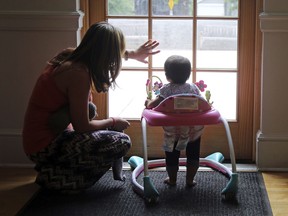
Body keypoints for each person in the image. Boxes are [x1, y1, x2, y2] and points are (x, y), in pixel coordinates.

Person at [22, 21, 160, 193]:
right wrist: (112, 121)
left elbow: (105, 51)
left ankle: (54, 170)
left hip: (40, 138)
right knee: (121, 141)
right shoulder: (78, 74)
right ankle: (58, 179)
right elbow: (82, 126)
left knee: (91, 110)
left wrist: (132, 54)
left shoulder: (69, 56)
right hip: (44, 145)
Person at [144, 55, 204, 187]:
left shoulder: (167, 90)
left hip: (173, 132)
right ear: (188, 75)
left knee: (171, 157)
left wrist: (148, 102)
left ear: (167, 75)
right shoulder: (193, 88)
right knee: (193, 156)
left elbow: (153, 104)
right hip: (192, 132)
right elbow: (202, 103)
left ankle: (172, 179)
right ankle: (189, 180)